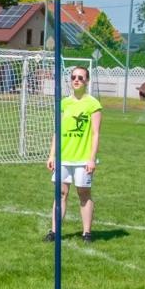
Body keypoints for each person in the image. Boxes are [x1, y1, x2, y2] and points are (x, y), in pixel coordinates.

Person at [46, 65, 102, 242]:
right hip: (64, 157)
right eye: (73, 77)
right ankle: (54, 231)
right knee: (60, 193)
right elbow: (58, 130)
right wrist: (52, 155)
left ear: (87, 81)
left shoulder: (93, 104)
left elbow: (95, 133)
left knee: (83, 193)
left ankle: (87, 233)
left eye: (80, 77)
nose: (76, 80)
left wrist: (91, 159)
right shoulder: (64, 103)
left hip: (82, 159)